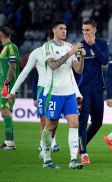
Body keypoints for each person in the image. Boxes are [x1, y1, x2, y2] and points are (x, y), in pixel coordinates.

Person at [40, 20, 85, 169]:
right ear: (53, 30)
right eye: (61, 28)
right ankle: (46, 158)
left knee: (74, 123)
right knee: (51, 125)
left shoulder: (68, 46)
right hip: (54, 93)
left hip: (69, 93)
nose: (64, 31)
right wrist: (70, 53)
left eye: (65, 28)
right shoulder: (48, 47)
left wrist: (82, 58)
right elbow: (53, 66)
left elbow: (78, 70)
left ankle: (73, 160)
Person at [8, 33, 61, 153]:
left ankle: (52, 142)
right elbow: (25, 72)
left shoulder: (63, 51)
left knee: (54, 120)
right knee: (44, 121)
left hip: (58, 90)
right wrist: (13, 91)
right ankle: (44, 145)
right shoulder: (37, 52)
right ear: (47, 39)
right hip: (42, 90)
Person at [76, 19, 110, 165]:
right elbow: (76, 69)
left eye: (88, 30)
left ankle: (81, 144)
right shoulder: (78, 46)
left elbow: (104, 61)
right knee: (82, 122)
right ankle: (84, 153)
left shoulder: (102, 44)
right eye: (83, 30)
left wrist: (93, 45)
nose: (85, 33)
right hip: (83, 89)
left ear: (94, 30)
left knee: (97, 122)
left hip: (97, 88)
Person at [0, 26, 19, 150]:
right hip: (5, 84)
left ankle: (9, 142)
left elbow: (12, 66)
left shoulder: (10, 47)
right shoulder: (6, 48)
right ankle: (9, 142)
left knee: (5, 111)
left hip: (8, 85)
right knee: (5, 112)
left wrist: (6, 84)